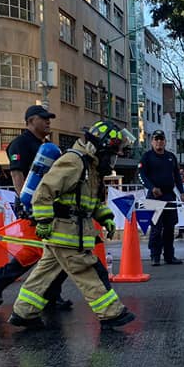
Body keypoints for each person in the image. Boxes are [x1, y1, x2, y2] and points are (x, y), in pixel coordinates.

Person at [9, 120, 137, 329]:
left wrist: (105, 217)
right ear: (99, 146)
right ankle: (111, 313)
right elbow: (43, 193)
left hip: (71, 232)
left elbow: (89, 202)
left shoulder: (91, 167)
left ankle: (23, 312)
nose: (114, 158)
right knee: (88, 272)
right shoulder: (74, 162)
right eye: (112, 152)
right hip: (66, 233)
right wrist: (43, 221)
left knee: (44, 274)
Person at [0, 105, 71, 312]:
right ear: (31, 120)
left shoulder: (45, 145)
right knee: (36, 250)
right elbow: (17, 175)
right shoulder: (20, 144)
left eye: (49, 118)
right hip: (31, 205)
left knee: (57, 250)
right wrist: (27, 203)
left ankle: (52, 295)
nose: (48, 122)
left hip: (48, 203)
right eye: (44, 118)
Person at [139, 130, 184, 266]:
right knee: (156, 228)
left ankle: (169, 256)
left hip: (169, 196)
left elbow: (176, 176)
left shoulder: (171, 157)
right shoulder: (147, 157)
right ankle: (155, 255)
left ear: (165, 141)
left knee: (170, 227)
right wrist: (152, 187)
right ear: (152, 141)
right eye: (156, 139)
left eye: (161, 139)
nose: (159, 142)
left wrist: (181, 192)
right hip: (154, 197)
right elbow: (142, 175)